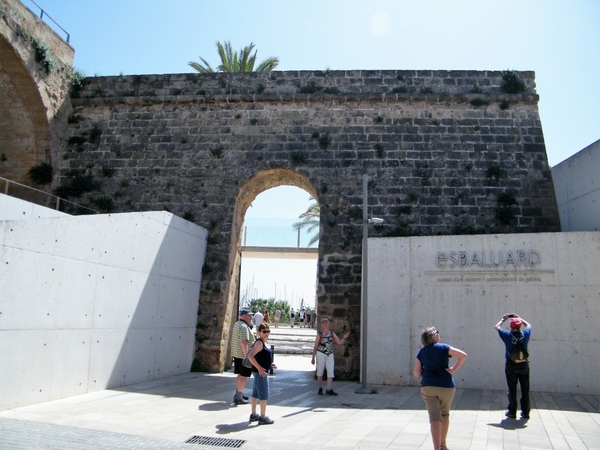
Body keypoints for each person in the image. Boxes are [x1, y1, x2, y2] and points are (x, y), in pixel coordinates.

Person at [413, 327, 468, 450]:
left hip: (428, 386)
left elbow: (416, 373)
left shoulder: (422, 352)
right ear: (434, 336)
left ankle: (436, 448)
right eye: (437, 333)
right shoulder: (444, 347)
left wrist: (425, 374)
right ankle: (443, 445)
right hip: (446, 386)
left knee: (434, 418)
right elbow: (463, 355)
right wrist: (453, 369)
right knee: (445, 414)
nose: (439, 334)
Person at [494, 313, 532, 419]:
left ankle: (512, 412)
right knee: (525, 389)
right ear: (519, 326)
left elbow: (496, 327)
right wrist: (519, 318)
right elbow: (529, 325)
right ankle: (525, 412)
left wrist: (503, 319)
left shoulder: (507, 336)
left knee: (512, 389)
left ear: (511, 326)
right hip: (523, 364)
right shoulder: (525, 334)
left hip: (511, 364)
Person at [246, 322, 277, 425]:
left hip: (261, 371)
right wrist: (259, 368)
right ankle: (262, 417)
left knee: (255, 393)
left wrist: (270, 365)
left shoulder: (264, 342)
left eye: (268, 331)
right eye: (264, 331)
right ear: (259, 332)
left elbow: (262, 357)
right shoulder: (259, 343)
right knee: (264, 394)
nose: (266, 333)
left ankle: (254, 414)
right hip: (261, 373)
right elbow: (250, 356)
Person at [311, 318, 350, 395]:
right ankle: (320, 388)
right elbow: (316, 346)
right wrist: (313, 357)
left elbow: (339, 342)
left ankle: (329, 388)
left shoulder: (332, 333)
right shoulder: (319, 334)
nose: (325, 324)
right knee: (320, 371)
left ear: (328, 324)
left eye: (326, 323)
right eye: (323, 323)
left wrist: (344, 337)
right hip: (321, 353)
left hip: (329, 354)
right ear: (321, 324)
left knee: (330, 371)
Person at [231, 309, 254, 405]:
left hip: (237, 355)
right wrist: (247, 356)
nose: (251, 317)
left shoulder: (237, 324)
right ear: (244, 316)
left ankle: (238, 394)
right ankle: (239, 397)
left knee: (239, 375)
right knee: (243, 376)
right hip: (243, 356)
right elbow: (243, 342)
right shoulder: (244, 326)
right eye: (249, 315)